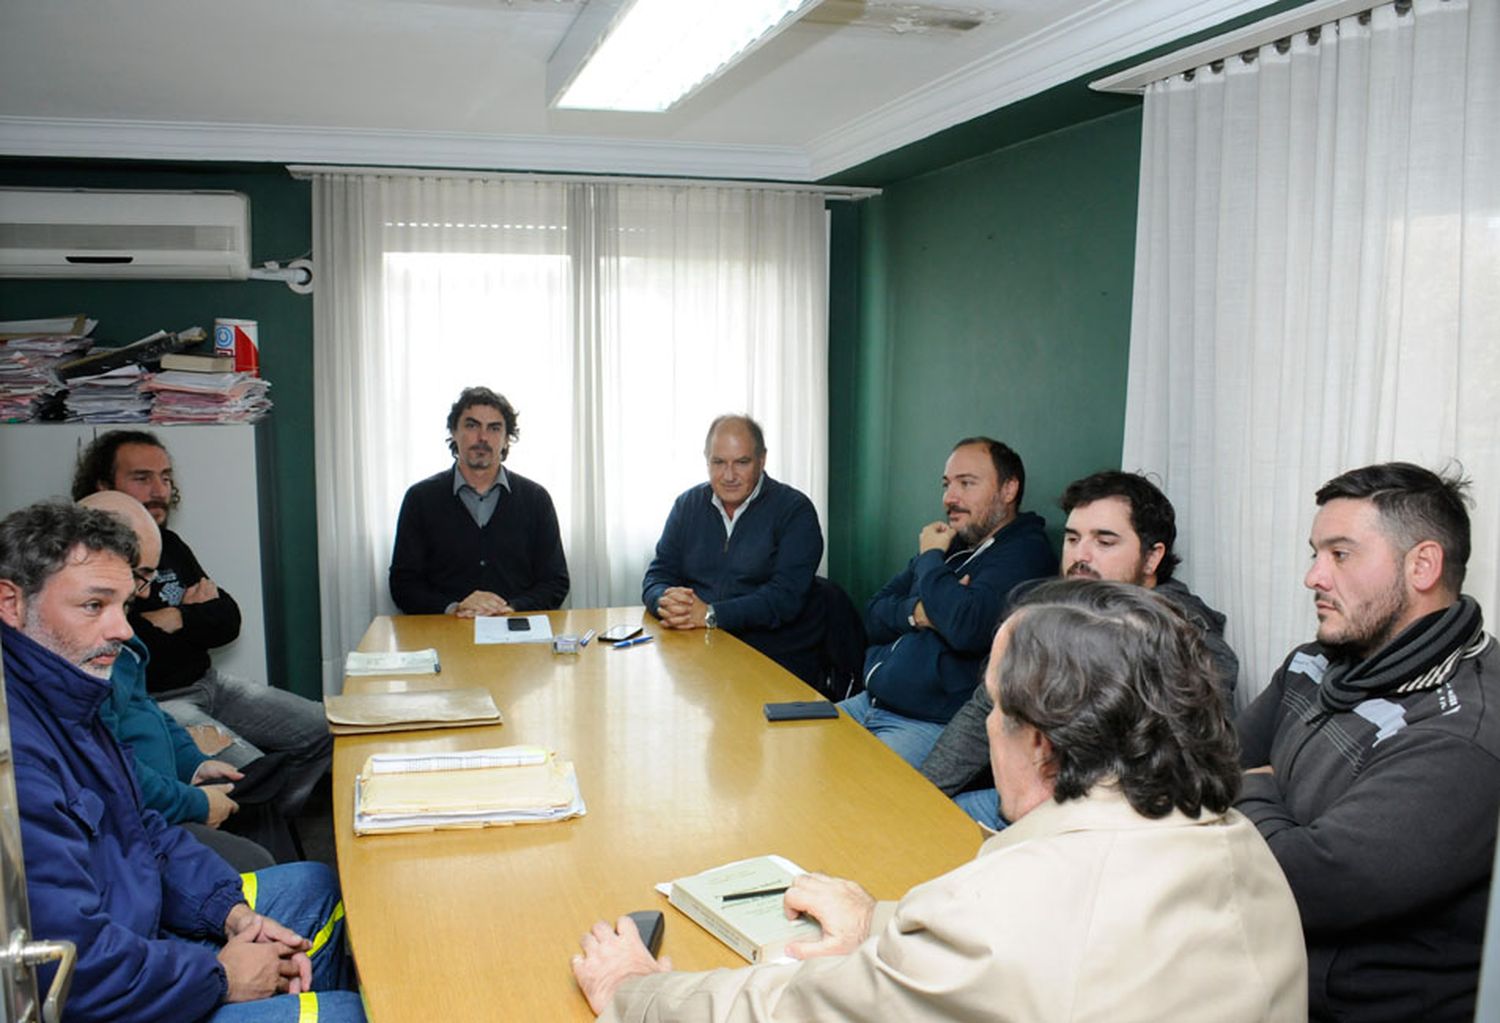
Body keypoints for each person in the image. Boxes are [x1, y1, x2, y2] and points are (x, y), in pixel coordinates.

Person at [571, 579, 1308, 1021]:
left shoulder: (1006, 911)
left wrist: (636, 992)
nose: (986, 722)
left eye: (992, 704)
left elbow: (795, 1010)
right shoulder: (1242, 844)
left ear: (1042, 741)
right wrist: (878, 921)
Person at [0, 500, 363, 1023]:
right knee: (346, 1014)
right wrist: (221, 975)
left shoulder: (72, 700)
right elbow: (75, 971)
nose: (123, 629)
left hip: (139, 940)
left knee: (315, 890)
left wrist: (230, 913)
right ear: (11, 604)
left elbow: (146, 834)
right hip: (108, 991)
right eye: (93, 605)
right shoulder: (19, 759)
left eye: (124, 606)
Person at [1236, 462, 1500, 1022]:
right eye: (1315, 553)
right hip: (1254, 967)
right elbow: (1214, 761)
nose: (1313, 576)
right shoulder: (1315, 660)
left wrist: (1254, 789)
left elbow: (1306, 885)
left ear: (1422, 565)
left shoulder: (1463, 733)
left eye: (1340, 554)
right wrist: (1259, 788)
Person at [922, 470, 1239, 828]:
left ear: (1152, 558)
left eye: (1105, 542)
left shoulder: (1183, 640)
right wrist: (922, 793)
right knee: (917, 820)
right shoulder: (1054, 614)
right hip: (1031, 800)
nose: (1081, 556)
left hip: (1111, 828)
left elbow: (1183, 777)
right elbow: (985, 709)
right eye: (1073, 539)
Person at [72, 429, 331, 819]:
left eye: (166, 477)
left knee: (322, 727)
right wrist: (186, 622)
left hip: (211, 683)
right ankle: (256, 822)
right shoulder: (87, 559)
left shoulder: (169, 544)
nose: (159, 489)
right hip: (165, 704)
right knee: (247, 773)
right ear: (104, 486)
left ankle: (276, 818)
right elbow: (137, 653)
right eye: (142, 478)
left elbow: (226, 620)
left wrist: (175, 618)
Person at [82, 490, 276, 871]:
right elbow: (113, 774)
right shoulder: (86, 653)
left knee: (261, 802)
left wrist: (193, 764)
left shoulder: (121, 636)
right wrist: (194, 802)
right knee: (260, 862)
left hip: (166, 792)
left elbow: (145, 709)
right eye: (141, 576)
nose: (149, 592)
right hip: (140, 823)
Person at [839, 437, 1055, 767]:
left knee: (850, 790)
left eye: (966, 484)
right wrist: (921, 613)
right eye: (947, 484)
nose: (949, 498)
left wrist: (930, 559)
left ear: (1009, 489)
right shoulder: (952, 543)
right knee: (795, 751)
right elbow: (874, 613)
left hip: (927, 724)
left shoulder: (1025, 553)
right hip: (869, 701)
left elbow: (966, 626)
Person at [641, 415, 824, 682]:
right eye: (718, 462)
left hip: (769, 659)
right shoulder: (687, 505)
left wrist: (711, 615)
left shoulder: (795, 511)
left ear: (762, 460)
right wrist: (665, 602)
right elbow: (657, 575)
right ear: (706, 461)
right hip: (697, 654)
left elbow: (785, 598)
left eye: (741, 462)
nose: (728, 476)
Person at [390, 385, 569, 616]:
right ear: (454, 432)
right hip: (443, 632)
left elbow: (555, 582)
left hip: (517, 634)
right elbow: (403, 585)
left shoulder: (536, 499)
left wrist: (511, 608)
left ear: (506, 440)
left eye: (494, 428)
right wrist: (455, 608)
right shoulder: (420, 499)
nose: (482, 437)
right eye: (472, 425)